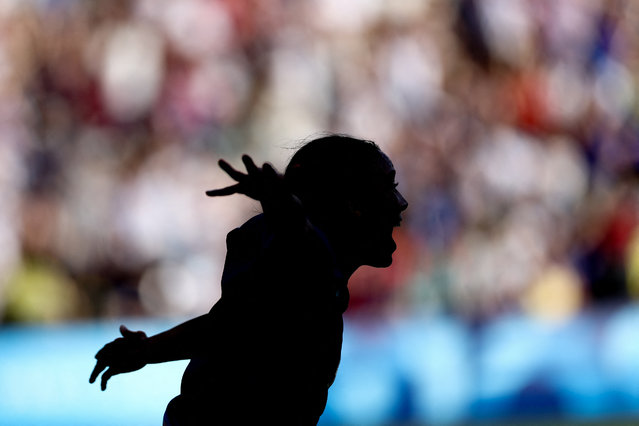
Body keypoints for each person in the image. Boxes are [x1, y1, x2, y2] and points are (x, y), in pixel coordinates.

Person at [89, 134, 408, 425]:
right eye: (388, 187)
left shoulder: (289, 264)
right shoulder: (293, 256)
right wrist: (284, 208)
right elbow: (301, 253)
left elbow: (228, 325)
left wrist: (147, 350)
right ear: (351, 204)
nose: (401, 203)